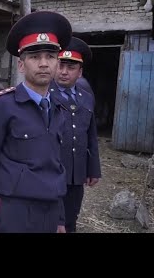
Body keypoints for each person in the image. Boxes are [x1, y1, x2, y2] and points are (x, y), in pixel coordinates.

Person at [0, 11, 72, 233]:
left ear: (58, 62)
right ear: (21, 65)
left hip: (50, 211)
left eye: (50, 56)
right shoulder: (1, 107)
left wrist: (60, 219)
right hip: (14, 213)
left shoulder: (58, 108)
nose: (44, 64)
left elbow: (56, 165)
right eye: (35, 57)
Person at [50, 37, 101, 233]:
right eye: (61, 65)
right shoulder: (44, 96)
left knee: (71, 217)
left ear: (80, 72)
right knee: (53, 220)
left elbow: (90, 135)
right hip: (52, 172)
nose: (64, 72)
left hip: (76, 172)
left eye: (70, 67)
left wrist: (93, 169)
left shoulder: (86, 98)